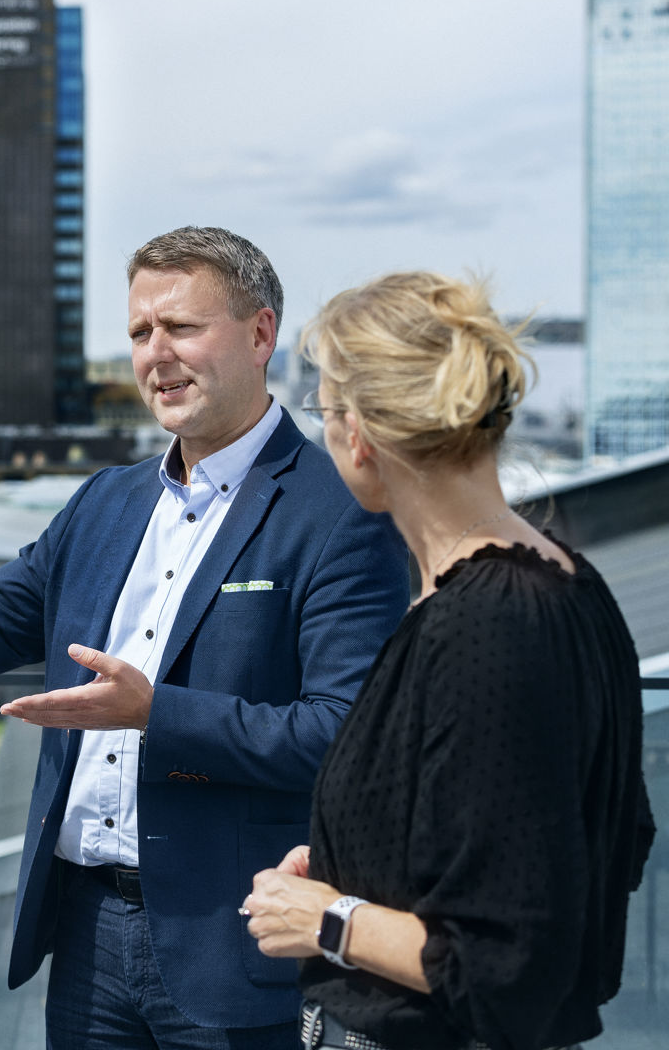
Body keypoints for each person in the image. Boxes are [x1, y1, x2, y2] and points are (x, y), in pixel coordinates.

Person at [0, 226, 408, 1048]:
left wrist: (155, 714)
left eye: (183, 328)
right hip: (86, 930)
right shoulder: (106, 503)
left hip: (236, 939)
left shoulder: (339, 512)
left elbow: (343, 736)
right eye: (138, 333)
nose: (156, 355)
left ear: (262, 334)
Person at [242, 271, 655, 1050]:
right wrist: (356, 866)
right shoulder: (564, 583)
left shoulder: (486, 625)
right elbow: (591, 840)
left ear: (360, 433)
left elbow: (505, 959)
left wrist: (329, 920)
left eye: (326, 411)